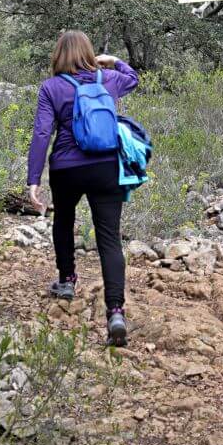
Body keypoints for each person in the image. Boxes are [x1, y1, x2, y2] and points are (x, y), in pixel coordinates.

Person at [26, 30, 139, 346]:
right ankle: (115, 311)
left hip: (66, 168)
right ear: (90, 53)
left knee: (63, 220)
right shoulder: (108, 80)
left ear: (58, 56)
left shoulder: (51, 88)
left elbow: (41, 134)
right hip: (106, 168)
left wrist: (33, 179)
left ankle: (66, 280)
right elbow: (133, 78)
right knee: (109, 238)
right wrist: (113, 60)